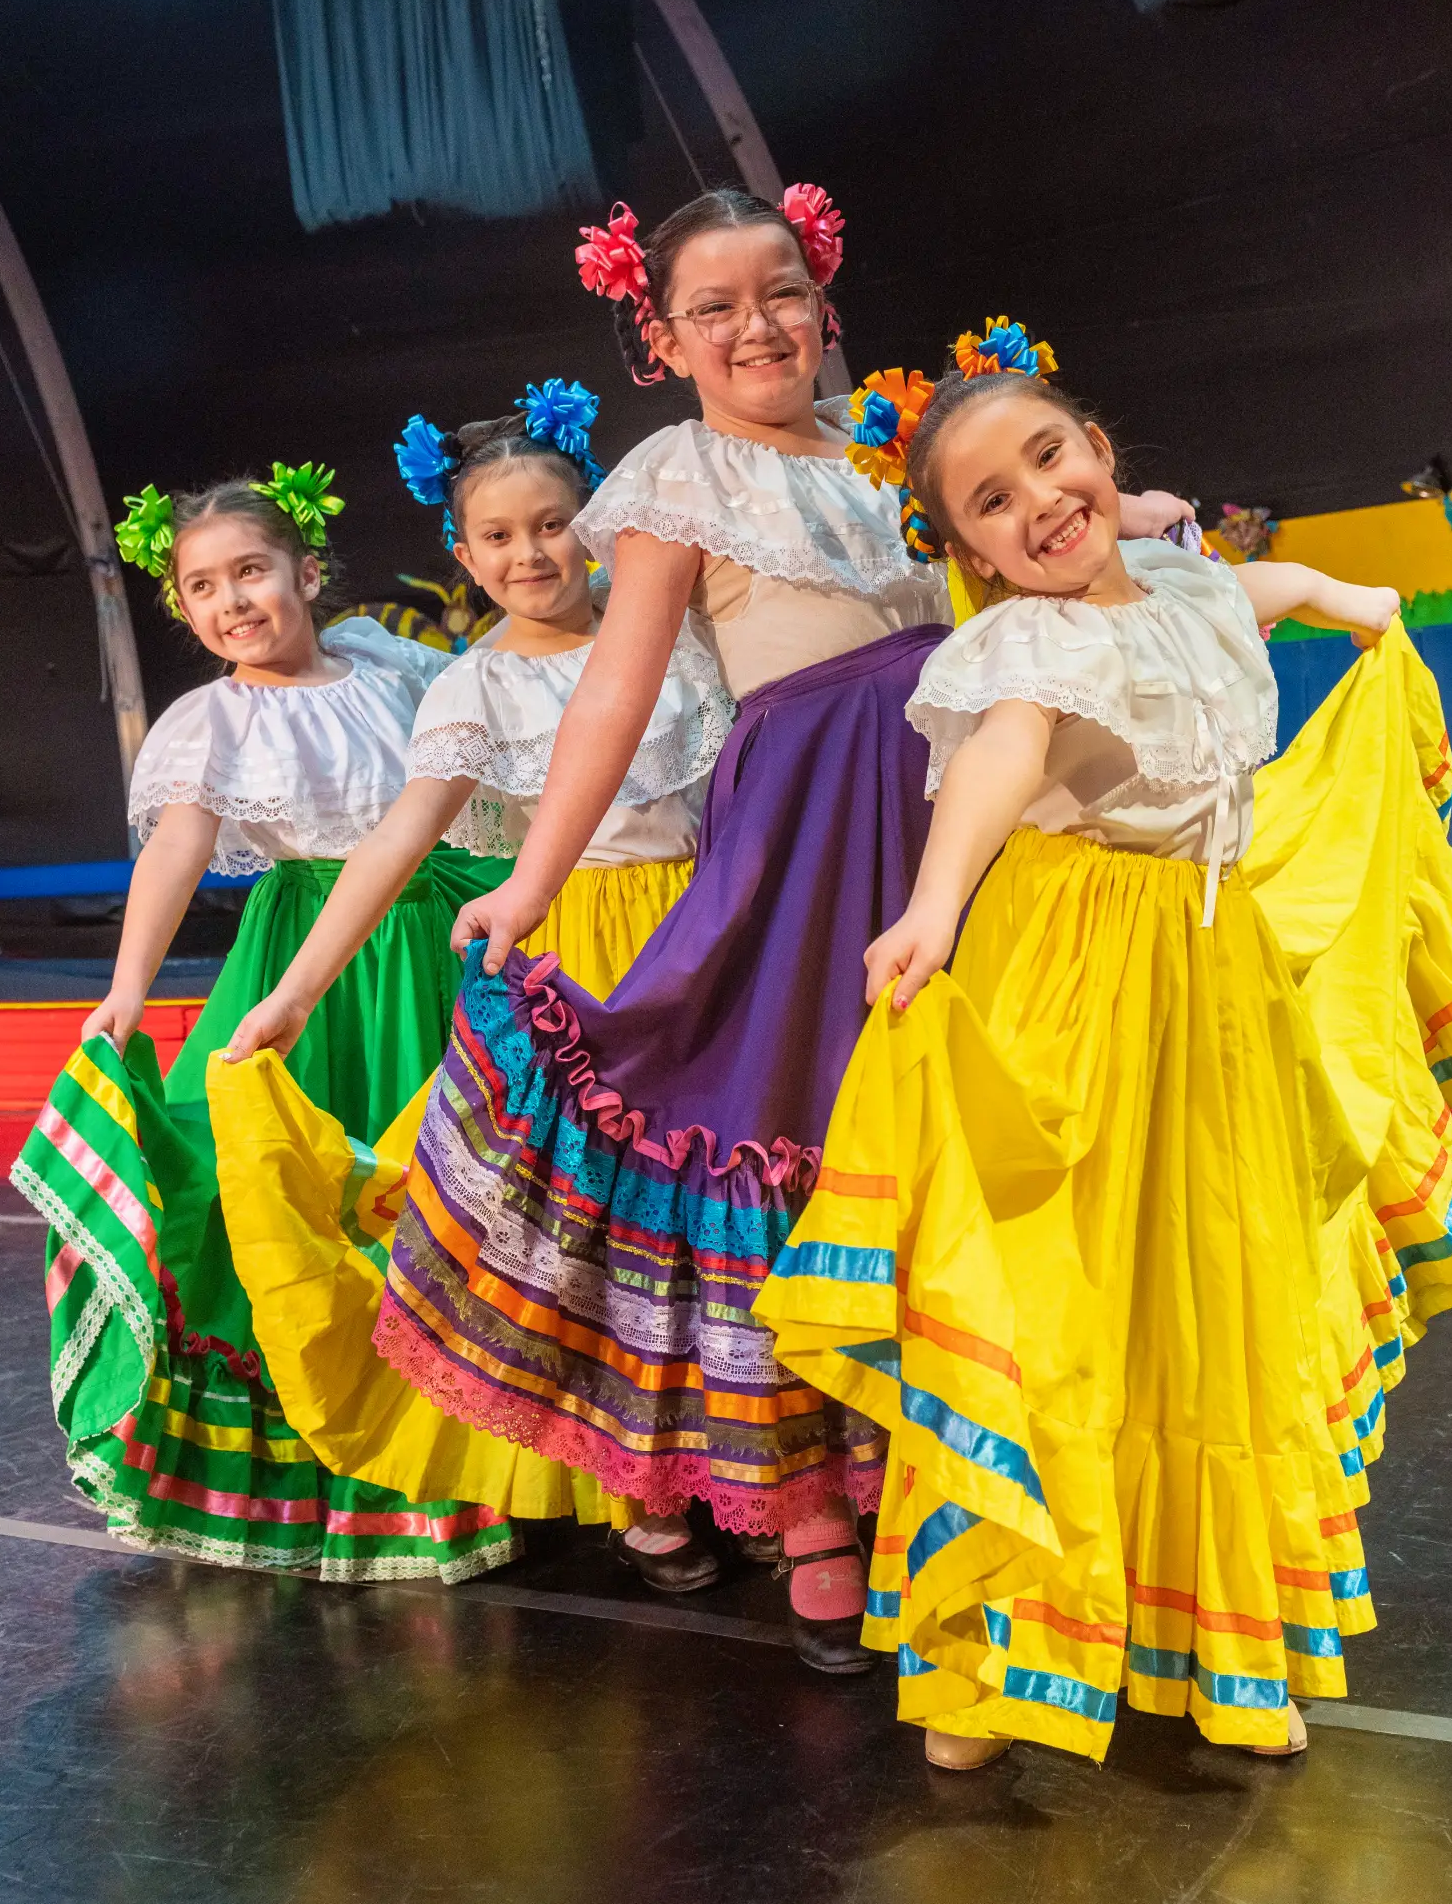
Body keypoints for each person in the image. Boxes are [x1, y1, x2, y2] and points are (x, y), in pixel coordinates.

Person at [270, 185, 1191, 1668]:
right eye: (715, 306)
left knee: (952, 1133)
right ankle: (814, 1505)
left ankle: (943, 1460)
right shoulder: (668, 481)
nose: (754, 325)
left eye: (780, 292)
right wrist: (529, 877)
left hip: (962, 799)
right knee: (792, 1132)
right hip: (810, 831)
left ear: (822, 296)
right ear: (659, 335)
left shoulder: (892, 440)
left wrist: (1140, 529)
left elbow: (1018, 557)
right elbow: (616, 695)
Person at [753, 323, 1452, 1761]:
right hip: (1075, 973)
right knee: (1063, 1288)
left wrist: (1360, 601)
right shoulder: (1027, 643)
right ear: (970, 552)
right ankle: (995, 1651)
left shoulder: (1183, 582)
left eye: (1049, 456)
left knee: (1214, 1284)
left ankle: (1231, 1648)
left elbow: (1260, 589)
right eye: (991, 500)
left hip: (1209, 974)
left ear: (1100, 451)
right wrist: (931, 906)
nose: (1036, 500)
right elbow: (999, 756)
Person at [214, 382, 733, 1580]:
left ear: (594, 519)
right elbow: (397, 841)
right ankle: (636, 1484)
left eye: (550, 523)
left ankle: (753, 1451)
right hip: (581, 956)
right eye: (496, 536)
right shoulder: (475, 688)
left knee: (727, 1212)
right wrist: (292, 992)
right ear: (460, 553)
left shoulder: (680, 626)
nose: (528, 552)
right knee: (604, 1227)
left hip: (711, 932)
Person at [12, 464, 517, 1579]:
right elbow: (178, 849)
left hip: (441, 944)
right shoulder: (211, 721)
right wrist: (129, 986)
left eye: (251, 570)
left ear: (308, 572)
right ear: (184, 610)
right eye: (203, 586)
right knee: (315, 1195)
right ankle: (360, 1460)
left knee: (463, 1195)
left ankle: (498, 1444)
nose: (233, 599)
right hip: (319, 966)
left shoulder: (396, 666)